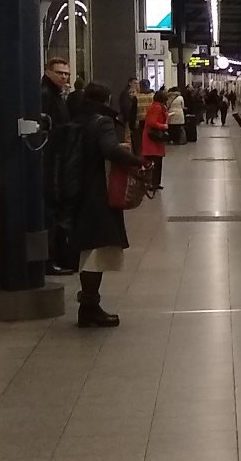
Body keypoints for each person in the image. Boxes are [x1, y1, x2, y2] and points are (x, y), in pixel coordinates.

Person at [65, 83, 143, 328]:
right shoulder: (102, 121)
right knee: (96, 252)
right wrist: (137, 161)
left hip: (78, 189)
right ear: (108, 98)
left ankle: (89, 306)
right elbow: (109, 149)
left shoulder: (78, 117)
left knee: (90, 250)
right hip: (97, 193)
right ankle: (89, 308)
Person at [40, 58, 76, 276]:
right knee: (51, 210)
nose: (64, 77)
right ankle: (49, 259)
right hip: (51, 160)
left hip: (55, 158)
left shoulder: (55, 95)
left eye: (66, 74)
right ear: (48, 72)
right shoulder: (46, 96)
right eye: (59, 73)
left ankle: (54, 257)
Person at [142, 90, 170, 190]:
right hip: (153, 137)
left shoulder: (158, 106)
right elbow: (151, 122)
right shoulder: (157, 107)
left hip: (154, 137)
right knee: (154, 161)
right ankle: (152, 183)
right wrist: (164, 126)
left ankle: (155, 183)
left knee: (155, 161)